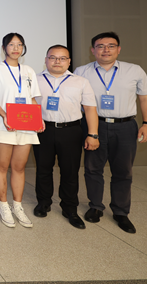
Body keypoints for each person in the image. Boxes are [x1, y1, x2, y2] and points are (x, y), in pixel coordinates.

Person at [74, 32, 147, 234]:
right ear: (92, 50)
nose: (106, 50)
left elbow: (145, 98)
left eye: (111, 46)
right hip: (94, 126)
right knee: (93, 168)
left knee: (123, 171)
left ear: (118, 49)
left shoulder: (134, 70)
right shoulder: (82, 72)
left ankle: (120, 212)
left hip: (125, 126)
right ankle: (95, 206)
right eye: (100, 46)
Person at [33, 45, 99, 230]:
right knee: (43, 169)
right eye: (53, 58)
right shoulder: (34, 80)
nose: (57, 61)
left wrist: (93, 134)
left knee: (70, 171)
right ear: (46, 60)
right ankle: (43, 203)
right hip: (42, 130)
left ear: (69, 61)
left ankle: (69, 208)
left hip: (71, 130)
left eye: (62, 58)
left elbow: (90, 109)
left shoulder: (81, 82)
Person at [0, 32, 44, 229]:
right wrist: (5, 115)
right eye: (11, 45)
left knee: (19, 167)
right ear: (4, 48)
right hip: (4, 123)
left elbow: (32, 98)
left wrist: (39, 118)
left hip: (26, 124)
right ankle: (4, 205)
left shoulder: (28, 70)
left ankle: (17, 206)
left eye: (19, 45)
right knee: (2, 165)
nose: (16, 48)